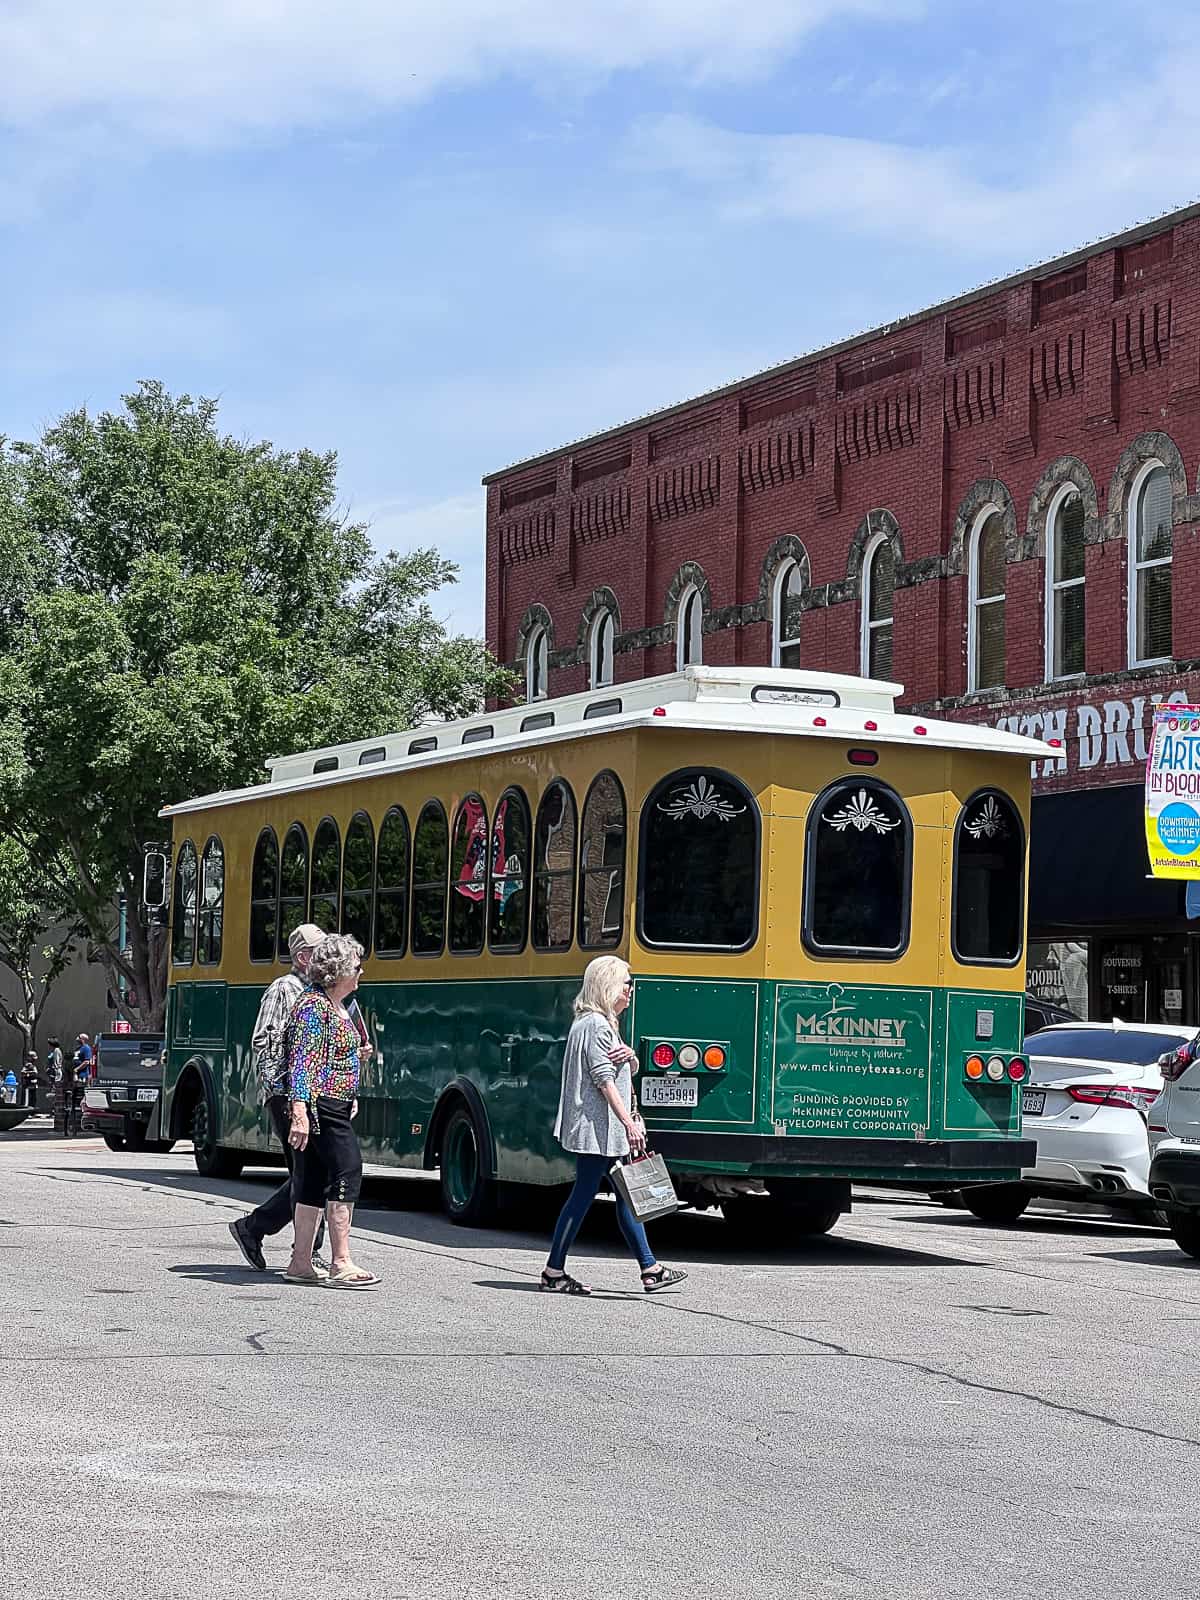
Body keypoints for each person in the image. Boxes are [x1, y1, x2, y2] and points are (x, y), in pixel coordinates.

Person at [542, 955, 687, 1296]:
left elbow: (622, 1069)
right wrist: (630, 1123)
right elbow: (604, 1079)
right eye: (626, 983)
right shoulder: (596, 1026)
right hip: (598, 1130)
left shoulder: (598, 1024)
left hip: (603, 1130)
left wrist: (632, 1057)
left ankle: (650, 1268)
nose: (630, 990)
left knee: (624, 1196)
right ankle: (553, 1271)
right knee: (584, 1197)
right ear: (608, 986)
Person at [227, 923, 329, 1275]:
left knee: (314, 1172)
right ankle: (297, 1246)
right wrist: (284, 1090)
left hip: (316, 1093)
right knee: (311, 1173)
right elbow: (263, 1041)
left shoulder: (322, 992)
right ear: (303, 956)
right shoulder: (284, 989)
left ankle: (258, 1229)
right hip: (289, 1094)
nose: (327, 955)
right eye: (320, 950)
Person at [284, 933, 381, 1289]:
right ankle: (341, 1262)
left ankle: (300, 1262)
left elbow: (329, 1056)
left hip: (333, 1102)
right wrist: (299, 1112)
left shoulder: (336, 1006)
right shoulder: (314, 1006)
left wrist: (355, 1061)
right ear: (338, 970)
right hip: (321, 1105)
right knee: (347, 1170)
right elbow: (303, 1063)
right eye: (356, 966)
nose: (361, 971)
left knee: (311, 1181)